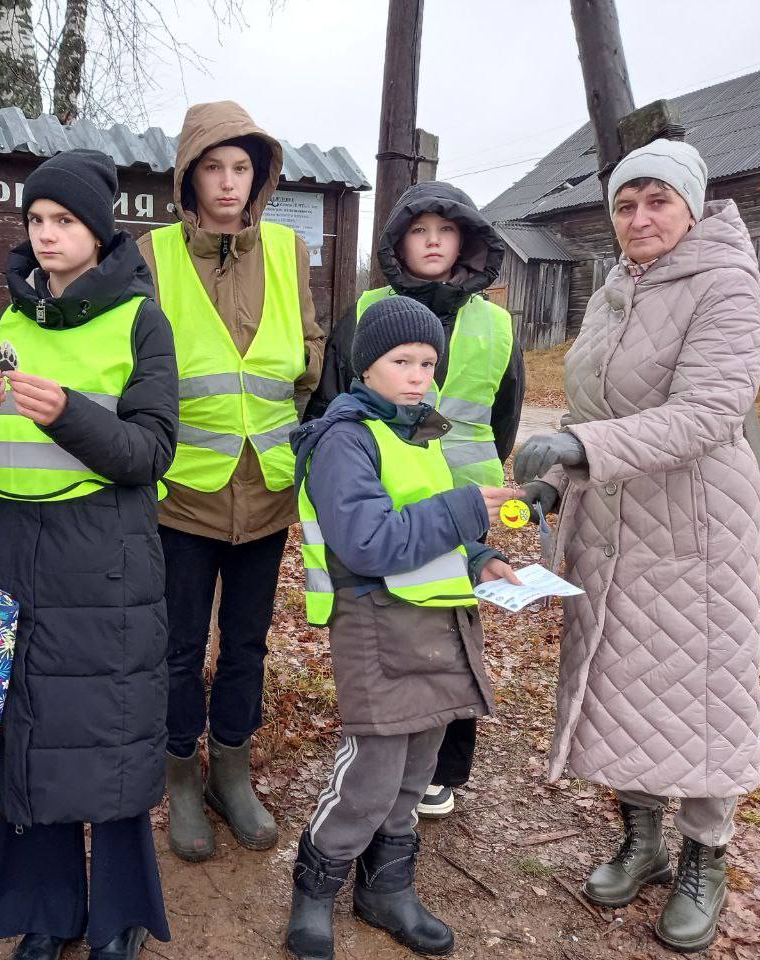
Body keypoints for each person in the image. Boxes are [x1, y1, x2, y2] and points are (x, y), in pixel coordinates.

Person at [515, 139, 760, 954]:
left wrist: (581, 448)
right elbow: (594, 408)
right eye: (626, 205)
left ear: (692, 207)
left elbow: (710, 412)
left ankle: (704, 858)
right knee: (622, 683)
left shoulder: (726, 283)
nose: (640, 218)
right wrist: (558, 482)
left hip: (696, 529)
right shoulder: (614, 289)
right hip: (614, 525)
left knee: (704, 694)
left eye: (658, 201)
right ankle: (642, 840)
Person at [0, 149, 178, 960]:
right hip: (11, 557)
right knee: (30, 739)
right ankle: (46, 913)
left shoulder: (141, 319)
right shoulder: (12, 316)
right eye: (36, 220)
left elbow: (151, 451)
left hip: (104, 564)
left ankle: (119, 915)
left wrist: (70, 415)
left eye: (65, 221)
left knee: (109, 738)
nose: (46, 235)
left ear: (99, 232)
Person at [285, 297, 522, 960]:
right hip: (376, 627)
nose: (418, 376)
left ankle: (386, 889)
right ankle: (314, 888)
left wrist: (481, 557)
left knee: (415, 774)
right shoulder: (345, 439)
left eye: (426, 363)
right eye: (401, 361)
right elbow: (367, 542)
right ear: (366, 366)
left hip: (438, 627)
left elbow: (426, 519)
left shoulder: (417, 433)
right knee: (371, 774)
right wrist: (464, 510)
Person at [136, 101, 324, 861]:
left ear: (259, 176)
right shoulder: (153, 255)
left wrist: (291, 421)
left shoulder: (287, 249)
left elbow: (309, 349)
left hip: (268, 490)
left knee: (247, 643)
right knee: (180, 647)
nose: (227, 182)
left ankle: (231, 774)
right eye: (212, 167)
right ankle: (181, 776)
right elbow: (141, 366)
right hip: (185, 494)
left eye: (241, 167)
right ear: (189, 176)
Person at [308, 181, 523, 820]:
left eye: (446, 230)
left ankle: (442, 770)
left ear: (467, 241)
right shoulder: (369, 309)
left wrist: (473, 489)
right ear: (397, 242)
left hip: (464, 499)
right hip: (386, 496)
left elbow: (505, 412)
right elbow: (334, 395)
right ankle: (386, 754)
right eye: (419, 230)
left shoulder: (494, 323)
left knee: (454, 628)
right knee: (396, 627)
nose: (432, 242)